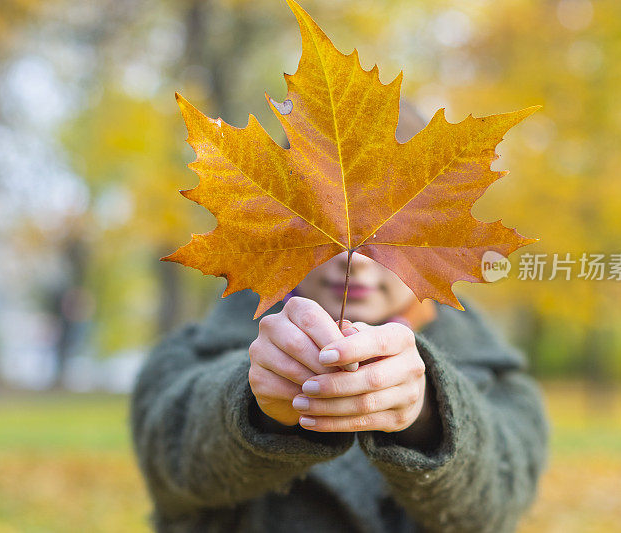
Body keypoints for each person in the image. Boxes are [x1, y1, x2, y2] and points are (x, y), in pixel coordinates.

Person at [130, 104, 550, 533]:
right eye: (322, 223)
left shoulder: (502, 380)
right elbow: (173, 458)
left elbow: (494, 505)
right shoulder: (188, 355)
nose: (354, 260)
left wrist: (427, 414)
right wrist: (256, 405)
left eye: (388, 234)